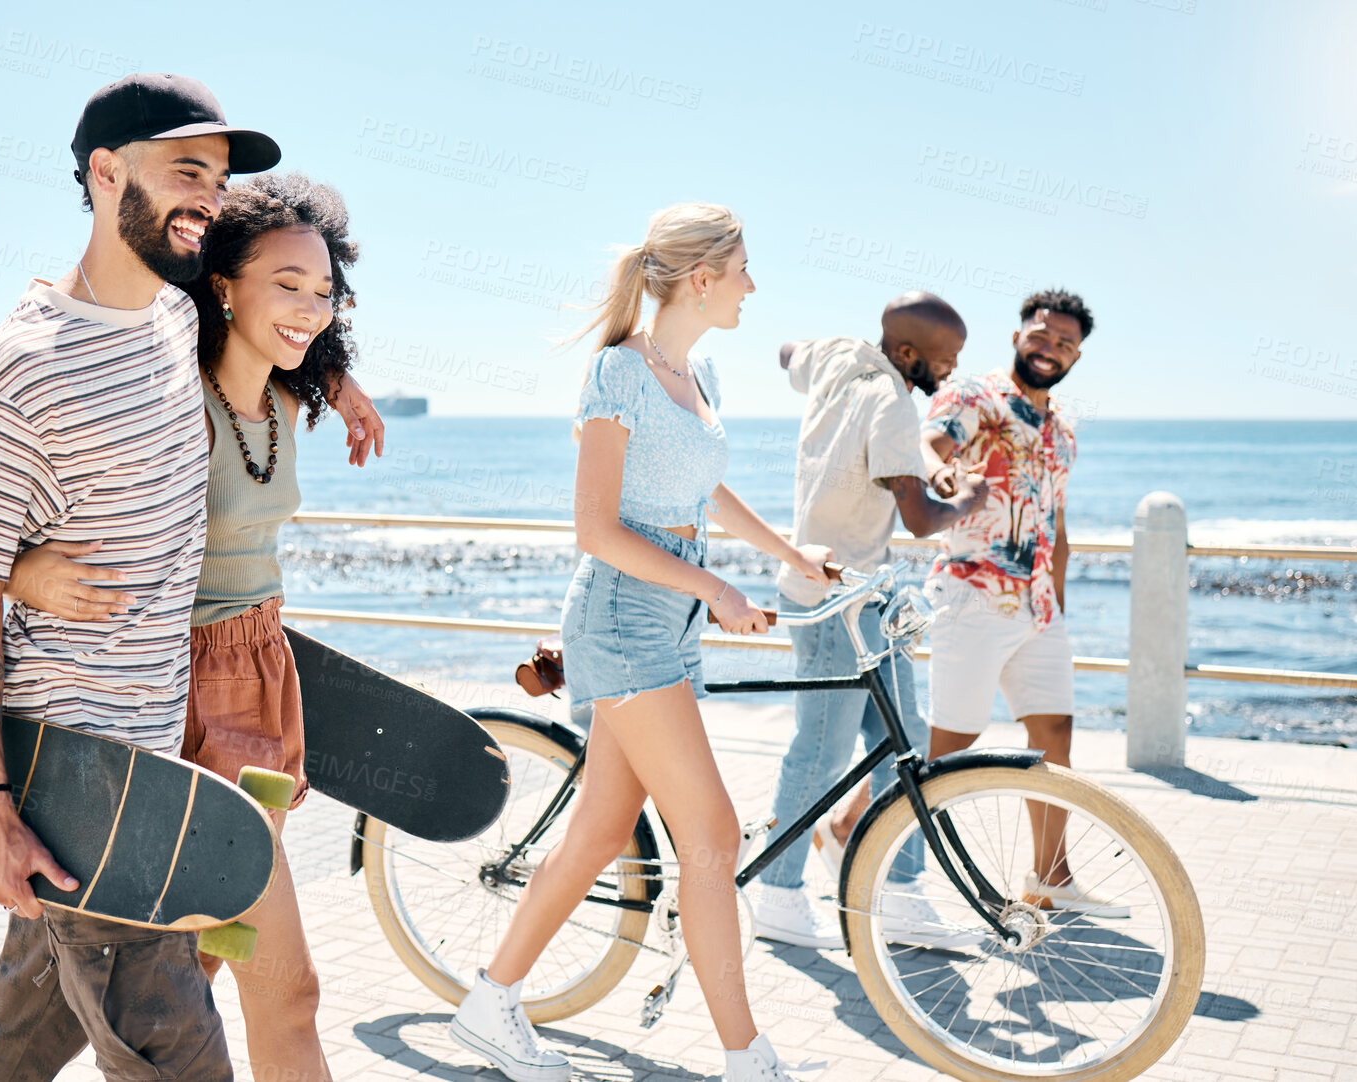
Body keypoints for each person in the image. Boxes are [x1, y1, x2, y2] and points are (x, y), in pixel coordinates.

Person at [0, 74, 283, 1081]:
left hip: (151, 754)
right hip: (79, 788)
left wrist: (334, 374)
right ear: (103, 172)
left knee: (13, 1045)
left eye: (217, 179)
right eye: (186, 170)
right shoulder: (22, 363)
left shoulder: (179, 314)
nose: (208, 199)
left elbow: (281, 308)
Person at [446, 204, 830, 1082]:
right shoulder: (617, 375)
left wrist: (787, 555)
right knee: (712, 837)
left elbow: (707, 492)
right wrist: (717, 587)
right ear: (702, 278)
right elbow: (595, 529)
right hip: (623, 616)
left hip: (667, 619)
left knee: (599, 831)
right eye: (743, 270)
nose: (752, 287)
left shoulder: (698, 377)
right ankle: (747, 1058)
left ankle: (489, 1004)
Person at [9, 171, 357, 1082]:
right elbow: (0, 524)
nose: (310, 308)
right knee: (216, 999)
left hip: (261, 683)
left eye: (325, 292)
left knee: (213, 992)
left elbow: (307, 340)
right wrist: (27, 569)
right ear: (220, 285)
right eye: (286, 285)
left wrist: (338, 375)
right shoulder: (164, 397)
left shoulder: (286, 400)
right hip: (171, 700)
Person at [749, 293, 990, 950]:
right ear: (908, 355)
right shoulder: (892, 405)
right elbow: (917, 519)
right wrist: (967, 497)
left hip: (867, 596)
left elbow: (786, 352)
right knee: (820, 753)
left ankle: (901, 893)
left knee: (904, 742)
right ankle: (778, 896)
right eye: (947, 360)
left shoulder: (837, 357)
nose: (953, 372)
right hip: (831, 602)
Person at [919, 289, 1119, 915]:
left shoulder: (1063, 432)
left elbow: (1055, 521)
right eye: (1041, 335)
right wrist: (942, 474)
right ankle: (852, 836)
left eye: (1064, 343)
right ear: (1017, 337)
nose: (1049, 348)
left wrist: (1055, 603)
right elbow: (929, 445)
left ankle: (1049, 880)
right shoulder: (975, 396)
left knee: (1055, 732)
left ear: (1076, 355)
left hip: (1038, 608)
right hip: (974, 597)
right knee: (950, 749)